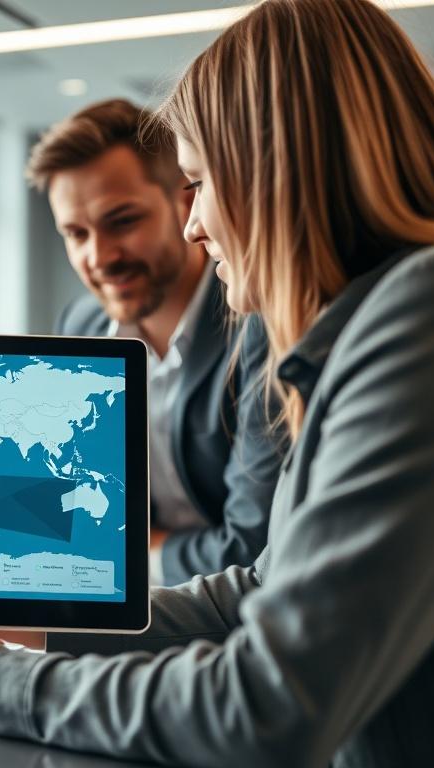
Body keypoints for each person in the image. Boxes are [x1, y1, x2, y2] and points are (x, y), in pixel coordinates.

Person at [0, 0, 434, 764]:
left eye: (199, 183)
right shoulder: (370, 323)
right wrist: (28, 621)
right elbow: (257, 585)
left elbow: (270, 705)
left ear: (276, 175)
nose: (193, 226)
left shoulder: (421, 317)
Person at [29, 98, 283, 586]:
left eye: (122, 221)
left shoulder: (257, 320)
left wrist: (118, 552)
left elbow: (251, 548)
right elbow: (57, 514)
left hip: (231, 619)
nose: (99, 257)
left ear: (185, 203)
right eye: (76, 233)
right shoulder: (80, 324)